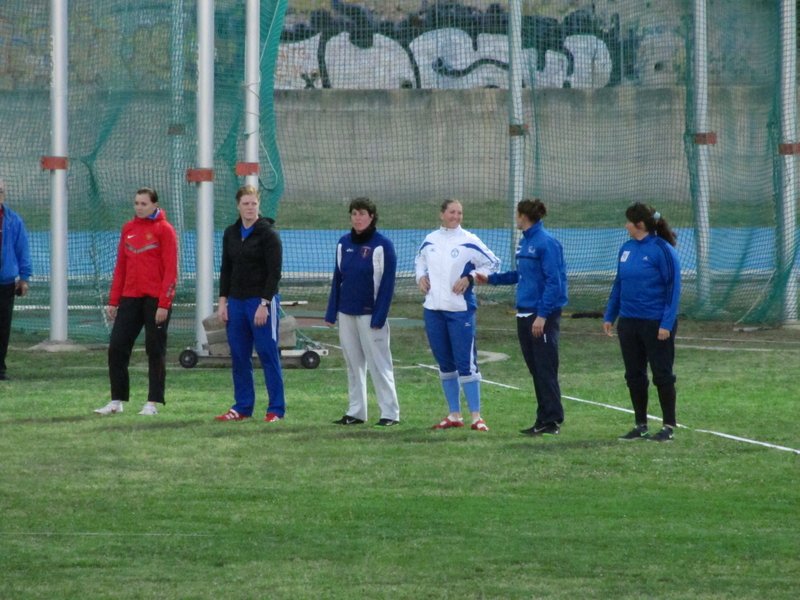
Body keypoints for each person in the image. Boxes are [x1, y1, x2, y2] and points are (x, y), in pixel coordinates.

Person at [475, 199, 568, 436]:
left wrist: (543, 316)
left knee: (546, 368)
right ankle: (543, 418)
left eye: (516, 214)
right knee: (535, 368)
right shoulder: (524, 242)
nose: (515, 218)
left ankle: (552, 421)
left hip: (540, 316)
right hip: (524, 313)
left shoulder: (546, 243)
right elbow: (521, 275)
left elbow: (554, 283)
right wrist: (492, 279)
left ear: (523, 216)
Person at [415, 199, 500, 431]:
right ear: (442, 214)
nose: (456, 216)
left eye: (460, 213)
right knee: (444, 363)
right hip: (433, 310)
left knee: (466, 363)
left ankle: (476, 417)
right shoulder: (430, 239)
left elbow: (494, 263)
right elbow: (420, 261)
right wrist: (420, 276)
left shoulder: (469, 241)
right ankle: (454, 415)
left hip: (460, 312)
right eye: (452, 212)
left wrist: (470, 277)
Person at [95, 188, 178, 415]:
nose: (139, 207)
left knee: (155, 350)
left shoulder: (165, 230)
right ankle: (116, 400)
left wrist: (164, 303)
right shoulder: (128, 229)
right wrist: (114, 300)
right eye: (136, 203)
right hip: (130, 297)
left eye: (143, 203)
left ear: (154, 205)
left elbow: (171, 270)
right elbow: (121, 267)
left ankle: (152, 402)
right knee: (117, 347)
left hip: (155, 300)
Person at [603, 202, 681, 442]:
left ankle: (668, 426)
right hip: (629, 321)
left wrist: (666, 323)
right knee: (634, 375)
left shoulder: (662, 249)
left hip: (655, 322)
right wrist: (610, 315)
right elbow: (619, 284)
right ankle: (641, 425)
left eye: (628, 222)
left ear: (639, 225)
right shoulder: (626, 248)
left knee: (662, 374)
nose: (625, 226)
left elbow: (673, 287)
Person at [325, 198, 400, 427]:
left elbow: (387, 285)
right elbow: (338, 279)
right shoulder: (343, 243)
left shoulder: (382, 245)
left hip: (371, 316)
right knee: (353, 363)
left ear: (372, 217)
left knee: (379, 364)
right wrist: (331, 313)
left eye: (362, 214)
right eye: (354, 213)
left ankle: (390, 413)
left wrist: (379, 317)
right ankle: (356, 412)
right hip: (346, 313)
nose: (358, 218)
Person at [215, 185, 285, 422]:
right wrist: (223, 302)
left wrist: (264, 304)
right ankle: (242, 407)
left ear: (259, 205)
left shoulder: (268, 234)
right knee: (239, 354)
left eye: (253, 203)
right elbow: (226, 269)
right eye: (245, 203)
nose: (250, 208)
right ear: (238, 206)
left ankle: (276, 409)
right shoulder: (230, 233)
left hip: (259, 302)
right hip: (236, 302)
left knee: (267, 353)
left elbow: (274, 273)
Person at [0, 178, 32, 381]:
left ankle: (0, 368)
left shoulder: (14, 220)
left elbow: (22, 249)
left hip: (5, 282)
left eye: (0, 190)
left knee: (3, 326)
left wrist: (25, 277)